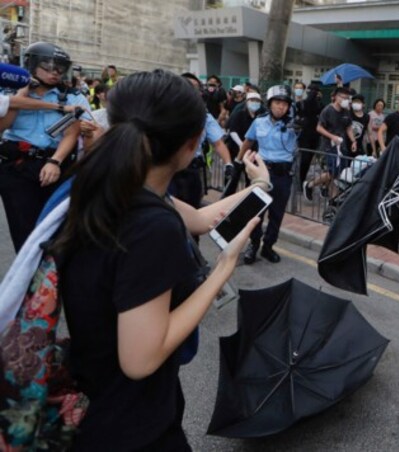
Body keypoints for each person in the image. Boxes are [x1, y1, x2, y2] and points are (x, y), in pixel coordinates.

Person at [53, 70, 270, 450]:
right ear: (193, 144)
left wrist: (258, 188)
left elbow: (203, 219)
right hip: (130, 425)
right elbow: (141, 359)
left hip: (95, 396)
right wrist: (222, 269)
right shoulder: (152, 227)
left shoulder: (101, 184)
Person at [0, 42, 89, 252]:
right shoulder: (9, 93)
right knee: (23, 232)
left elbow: (72, 133)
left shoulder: (71, 96)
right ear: (31, 65)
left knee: (55, 229)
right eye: (48, 66)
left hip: (55, 165)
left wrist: (54, 161)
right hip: (17, 167)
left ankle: (51, 277)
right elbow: (3, 126)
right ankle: (27, 281)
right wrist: (21, 94)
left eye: (60, 67)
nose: (55, 72)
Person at [237, 85, 298, 264]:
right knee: (256, 211)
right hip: (261, 173)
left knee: (276, 214)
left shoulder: (294, 125)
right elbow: (248, 142)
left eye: (285, 104)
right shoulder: (259, 122)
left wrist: (301, 124)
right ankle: (253, 245)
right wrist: (237, 161)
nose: (281, 107)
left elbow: (311, 128)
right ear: (270, 104)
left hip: (282, 175)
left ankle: (268, 247)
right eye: (278, 103)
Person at [172, 73, 233, 209]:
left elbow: (218, 143)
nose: (191, 90)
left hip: (194, 169)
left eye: (195, 87)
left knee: (193, 207)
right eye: (187, 85)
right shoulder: (166, 112)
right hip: (171, 169)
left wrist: (228, 163)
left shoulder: (205, 116)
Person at [303, 87, 356, 201]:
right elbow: (319, 127)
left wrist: (353, 141)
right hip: (329, 146)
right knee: (333, 173)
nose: (346, 100)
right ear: (336, 97)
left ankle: (325, 188)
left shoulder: (346, 111)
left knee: (340, 173)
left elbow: (349, 127)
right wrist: (332, 136)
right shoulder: (328, 110)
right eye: (343, 97)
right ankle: (310, 184)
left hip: (342, 147)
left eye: (348, 98)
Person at [295, 82, 323, 185]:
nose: (312, 93)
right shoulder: (301, 104)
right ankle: (299, 180)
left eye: (315, 91)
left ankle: (302, 180)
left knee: (308, 159)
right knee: (304, 159)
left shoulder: (320, 105)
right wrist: (300, 122)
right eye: (311, 91)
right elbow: (294, 118)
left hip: (315, 136)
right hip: (304, 135)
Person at [224, 92, 264, 159]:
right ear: (247, 102)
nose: (255, 102)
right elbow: (233, 131)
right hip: (236, 148)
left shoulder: (261, 116)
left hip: (253, 150)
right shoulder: (239, 114)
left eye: (257, 101)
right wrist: (241, 144)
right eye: (252, 100)